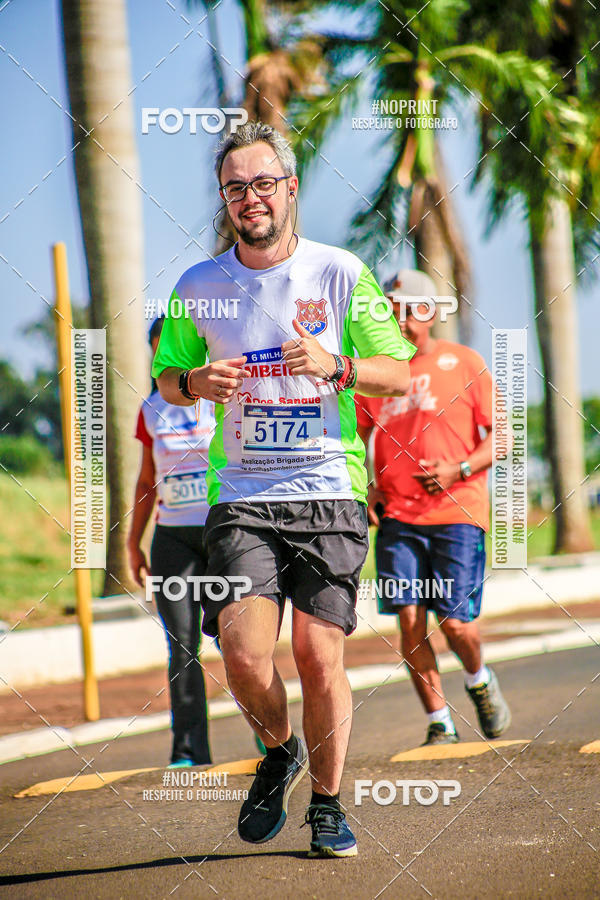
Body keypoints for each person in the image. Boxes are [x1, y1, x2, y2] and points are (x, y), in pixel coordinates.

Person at [151, 121, 415, 857]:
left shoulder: (337, 272)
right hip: (240, 492)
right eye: (235, 188)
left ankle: (327, 806)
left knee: (319, 656)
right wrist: (195, 381)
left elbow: (397, 372)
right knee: (240, 654)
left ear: (290, 189)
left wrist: (337, 365)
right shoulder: (199, 286)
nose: (250, 199)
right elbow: (168, 380)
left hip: (328, 488)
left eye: (263, 183)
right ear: (225, 199)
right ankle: (280, 749)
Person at [356, 270, 511, 746]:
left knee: (455, 623)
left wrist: (459, 469)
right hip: (399, 519)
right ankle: (439, 721)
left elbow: (503, 438)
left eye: (406, 309)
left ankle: (479, 679)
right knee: (408, 618)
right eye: (389, 310)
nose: (397, 320)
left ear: (428, 313)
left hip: (457, 514)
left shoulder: (464, 362)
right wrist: (371, 487)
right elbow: (358, 437)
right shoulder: (377, 376)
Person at [127, 316, 213, 768]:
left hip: (224, 534)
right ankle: (188, 750)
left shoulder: (222, 400)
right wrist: (132, 542)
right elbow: (146, 481)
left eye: (175, 348)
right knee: (181, 643)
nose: (168, 357)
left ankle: (270, 735)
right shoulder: (149, 410)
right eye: (160, 350)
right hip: (172, 539)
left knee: (240, 641)